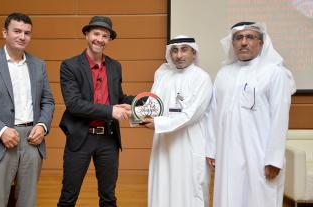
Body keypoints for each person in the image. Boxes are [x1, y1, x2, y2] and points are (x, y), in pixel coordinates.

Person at [0, 12, 55, 207]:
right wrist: (1, 130)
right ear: (4, 32)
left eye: (27, 33)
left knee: (28, 201)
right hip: (1, 140)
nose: (22, 36)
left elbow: (48, 101)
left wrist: (42, 125)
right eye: (17, 31)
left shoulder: (38, 65)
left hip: (33, 139)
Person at [206, 22, 296, 207]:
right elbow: (214, 113)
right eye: (239, 38)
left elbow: (280, 117)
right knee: (228, 197)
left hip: (259, 155)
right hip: (227, 154)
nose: (244, 42)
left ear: (261, 43)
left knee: (259, 199)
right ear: (233, 44)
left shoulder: (275, 73)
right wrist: (212, 149)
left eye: (250, 37)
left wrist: (274, 158)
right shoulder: (224, 73)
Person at [57, 16, 133, 207]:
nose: (100, 39)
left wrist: (140, 102)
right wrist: (110, 111)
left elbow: (118, 98)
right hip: (80, 137)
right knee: (68, 197)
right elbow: (74, 104)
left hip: (108, 139)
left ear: (109, 40)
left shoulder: (115, 66)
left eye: (105, 36)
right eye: (96, 34)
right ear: (86, 35)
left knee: (109, 197)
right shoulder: (69, 66)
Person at [141, 35, 213, 207]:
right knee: (163, 188)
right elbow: (152, 106)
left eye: (184, 49)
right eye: (174, 50)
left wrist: (158, 124)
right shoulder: (163, 76)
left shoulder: (202, 78)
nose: (179, 55)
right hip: (164, 145)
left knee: (190, 191)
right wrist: (134, 112)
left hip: (189, 143)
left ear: (193, 52)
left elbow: (191, 114)